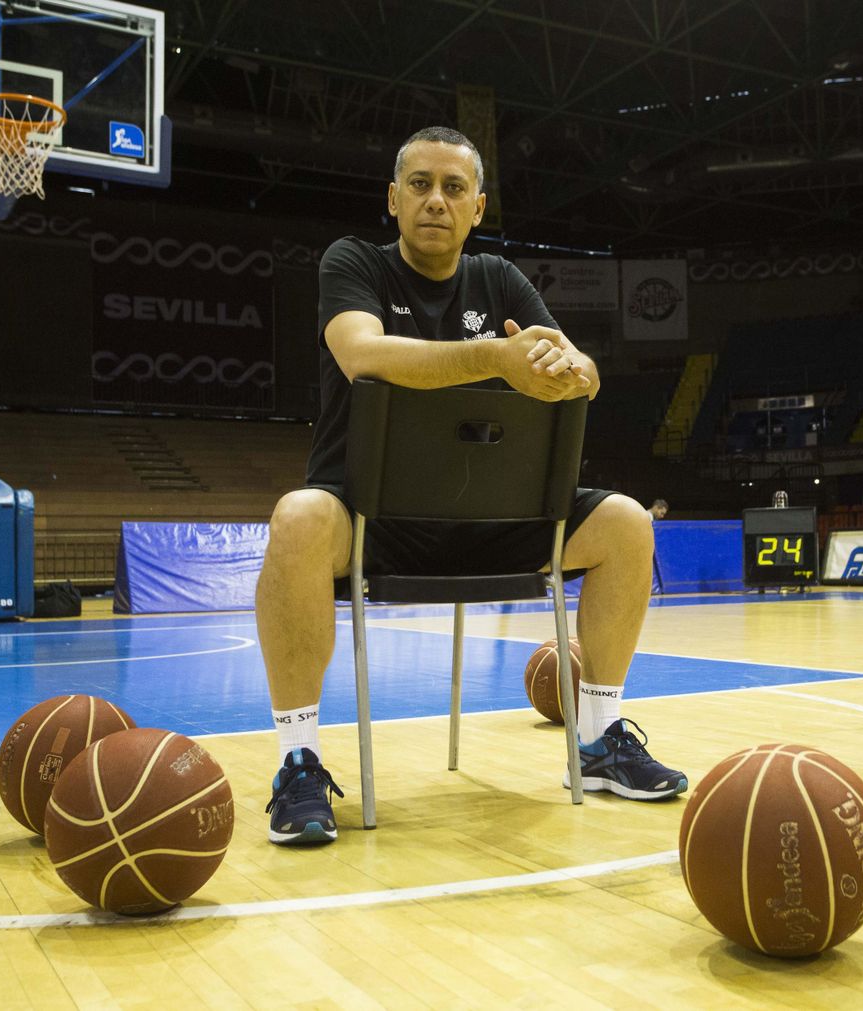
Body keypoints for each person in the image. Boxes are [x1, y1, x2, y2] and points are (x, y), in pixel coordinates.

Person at [255, 126, 687, 845]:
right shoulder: (353, 262)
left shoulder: (500, 280)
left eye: (454, 188)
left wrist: (571, 372)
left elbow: (585, 372)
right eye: (419, 185)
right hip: (371, 519)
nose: (435, 201)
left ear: (478, 208)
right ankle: (298, 761)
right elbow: (362, 354)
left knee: (627, 523)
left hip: (494, 520)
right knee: (297, 515)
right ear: (392, 199)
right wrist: (496, 356)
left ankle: (602, 737)